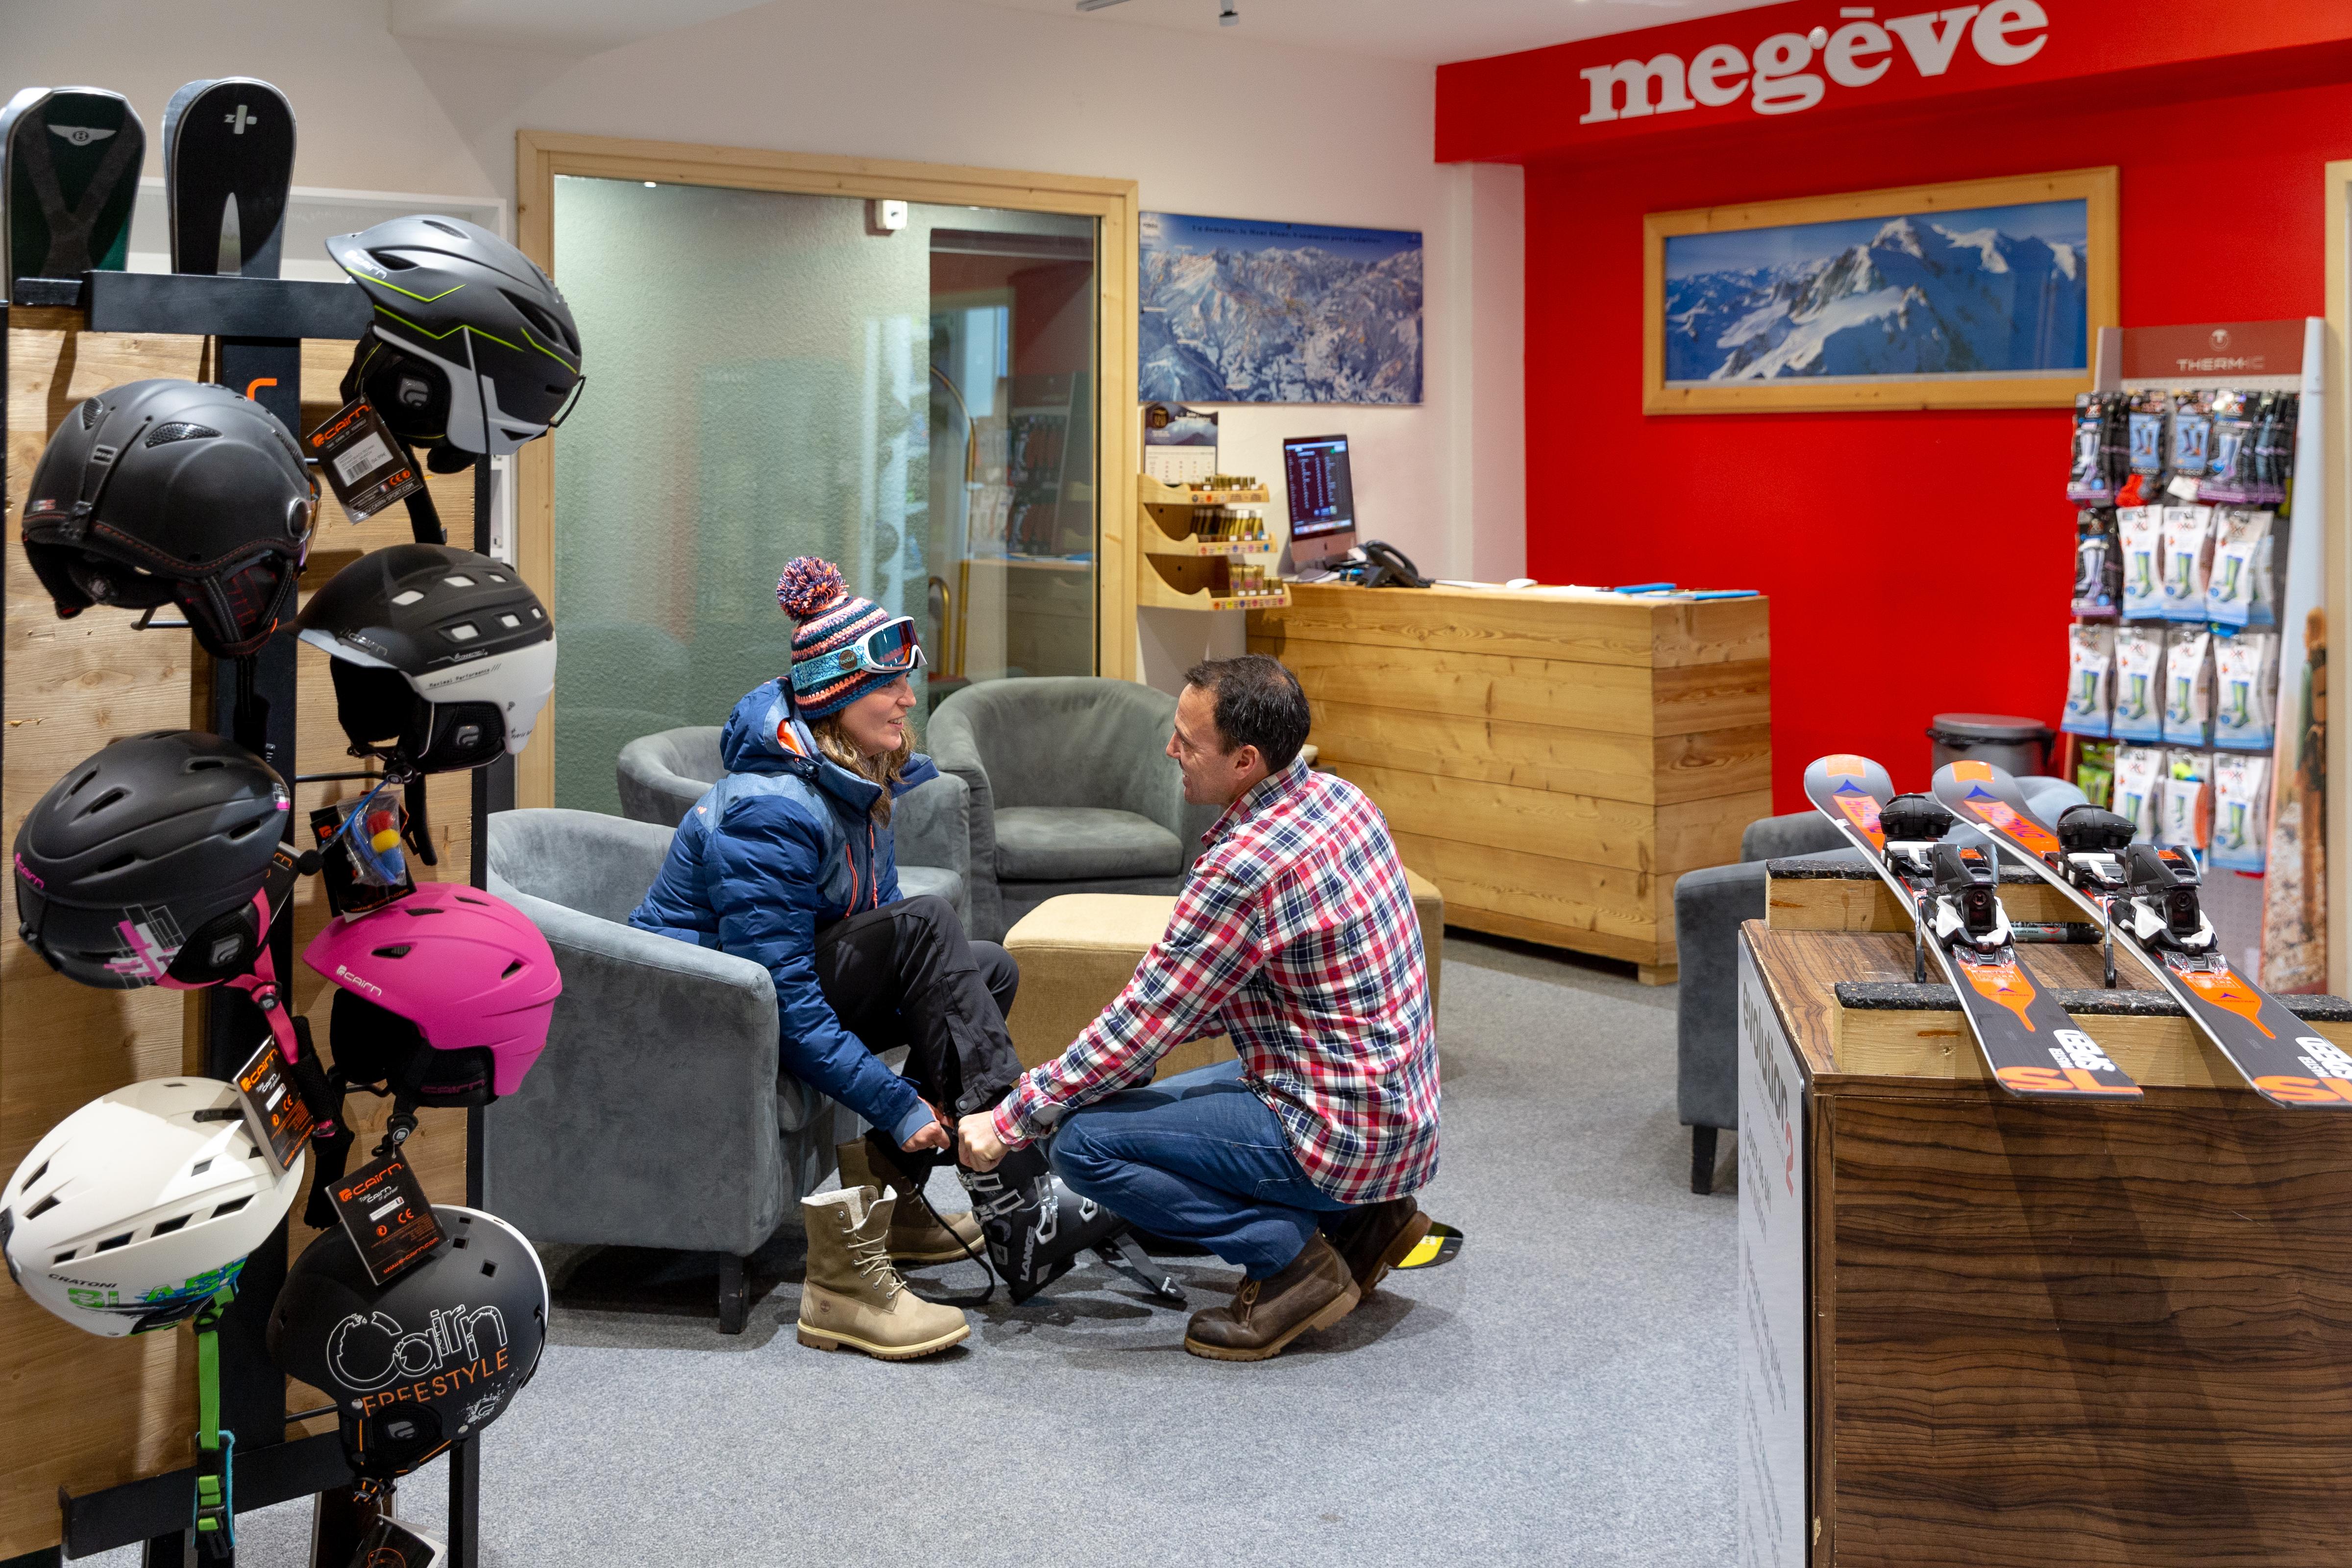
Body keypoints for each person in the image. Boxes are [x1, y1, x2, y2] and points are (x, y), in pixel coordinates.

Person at [957, 654, 1441, 1362]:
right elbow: (1261, 990)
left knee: (1084, 1144)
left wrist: (1013, 1119)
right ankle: (1368, 1224)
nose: (1169, 750)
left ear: (1245, 760)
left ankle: (1292, 1265)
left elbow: (1145, 1022)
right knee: (1137, 1088)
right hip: (1397, 1115)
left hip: (1338, 1133)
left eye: (1187, 740)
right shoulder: (1343, 800)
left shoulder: (1245, 863)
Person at [629, 557, 1025, 1360]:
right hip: (710, 1013)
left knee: (986, 968)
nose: (910, 700)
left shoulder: (853, 777)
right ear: (837, 696)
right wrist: (901, 1104)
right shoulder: (771, 809)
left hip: (773, 989)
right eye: (891, 685)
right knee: (925, 925)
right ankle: (980, 1162)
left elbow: (854, 941)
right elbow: (781, 992)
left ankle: (892, 1207)